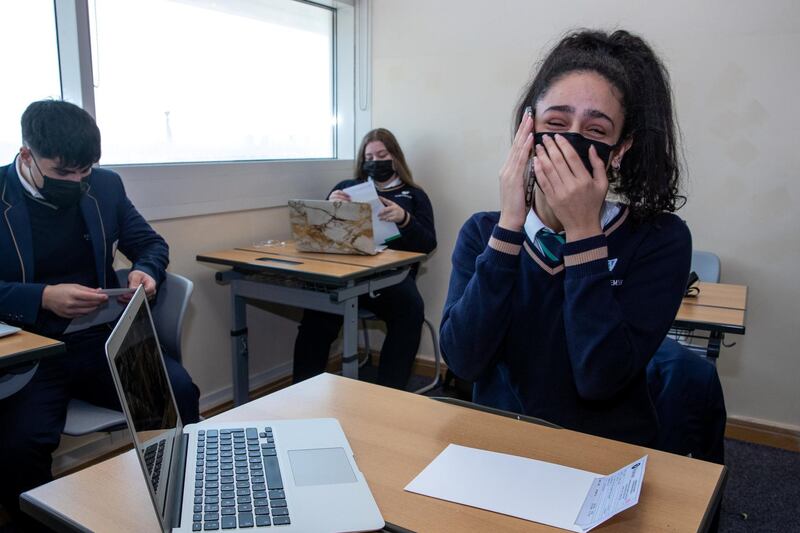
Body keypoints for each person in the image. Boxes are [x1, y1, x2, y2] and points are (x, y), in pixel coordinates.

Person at [440, 29, 691, 447]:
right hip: (499, 444)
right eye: (556, 122)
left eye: (595, 131)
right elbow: (464, 361)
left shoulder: (659, 239)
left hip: (607, 452)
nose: (571, 139)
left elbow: (599, 379)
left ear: (620, 149)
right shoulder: (483, 232)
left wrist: (583, 232)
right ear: (529, 130)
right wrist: (508, 229)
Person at [0, 100, 200, 523]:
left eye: (84, 171)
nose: (75, 181)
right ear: (26, 156)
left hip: (101, 340)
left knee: (180, 393)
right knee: (19, 445)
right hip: (32, 351)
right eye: (62, 172)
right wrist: (41, 297)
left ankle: (185, 508)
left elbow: (150, 245)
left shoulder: (105, 186)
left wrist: (145, 272)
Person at [293, 128, 436, 389]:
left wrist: (404, 219)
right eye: (369, 156)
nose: (376, 160)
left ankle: (388, 395)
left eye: (382, 154)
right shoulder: (346, 188)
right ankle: (301, 393)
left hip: (391, 279)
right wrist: (329, 206)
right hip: (346, 273)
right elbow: (318, 238)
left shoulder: (414, 196)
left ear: (395, 157)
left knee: (411, 310)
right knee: (318, 312)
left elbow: (428, 244)